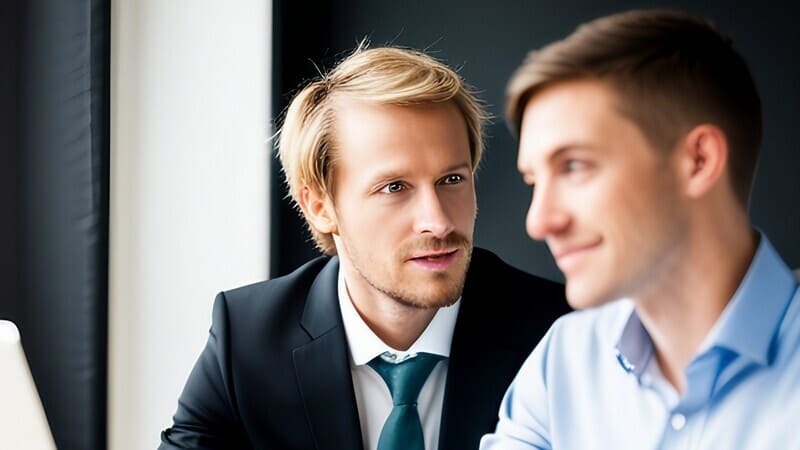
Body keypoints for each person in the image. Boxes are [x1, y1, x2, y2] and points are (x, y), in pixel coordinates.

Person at [159, 45, 569, 450]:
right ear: (320, 207)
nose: (438, 221)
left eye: (452, 180)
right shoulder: (247, 340)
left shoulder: (560, 333)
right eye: (394, 187)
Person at [481, 9, 800, 450]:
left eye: (574, 166)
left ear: (698, 161)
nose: (539, 221)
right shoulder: (562, 362)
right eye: (534, 180)